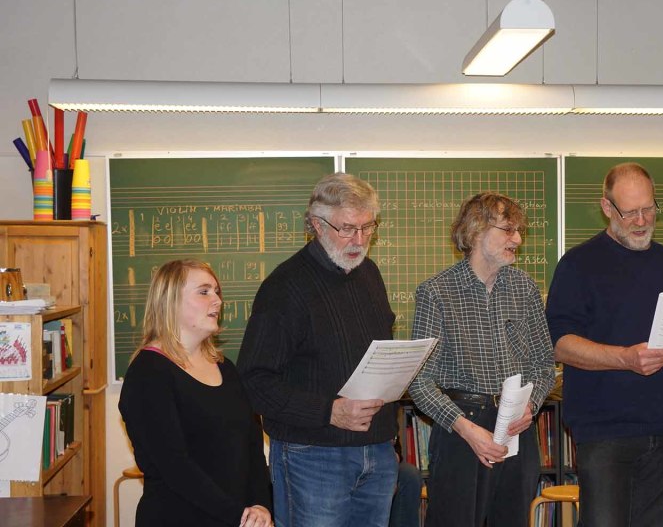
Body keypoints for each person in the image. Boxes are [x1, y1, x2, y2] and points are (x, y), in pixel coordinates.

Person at [238, 173, 398, 527]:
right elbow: (254, 382)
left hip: (378, 451)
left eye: (368, 227)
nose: (359, 240)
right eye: (347, 228)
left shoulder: (369, 274)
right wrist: (329, 412)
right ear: (316, 224)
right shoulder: (284, 287)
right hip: (312, 457)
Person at [546, 162, 663, 527]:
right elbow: (559, 344)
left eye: (649, 209)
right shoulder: (577, 265)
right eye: (630, 213)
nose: (641, 221)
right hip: (605, 432)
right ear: (607, 207)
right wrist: (625, 358)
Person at [408, 192, 556, 527]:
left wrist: (531, 404)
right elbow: (420, 381)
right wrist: (468, 430)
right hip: (462, 430)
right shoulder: (437, 293)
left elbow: (543, 364)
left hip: (516, 428)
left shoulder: (525, 288)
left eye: (518, 231)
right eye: (508, 230)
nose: (517, 240)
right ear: (476, 230)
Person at [119, 259, 272, 527]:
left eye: (216, 292)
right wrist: (239, 515)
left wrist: (260, 505)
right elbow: (175, 467)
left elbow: (252, 445)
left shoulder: (226, 367)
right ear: (170, 301)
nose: (217, 301)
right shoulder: (148, 373)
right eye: (204, 292)